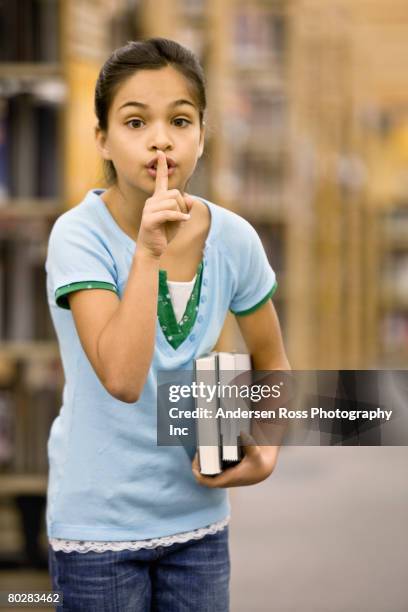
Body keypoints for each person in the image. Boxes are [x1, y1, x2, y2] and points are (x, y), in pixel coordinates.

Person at [45, 37, 290, 611]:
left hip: (198, 523)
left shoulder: (234, 239)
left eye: (180, 120)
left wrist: (268, 449)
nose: (160, 138)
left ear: (202, 135)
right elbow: (124, 380)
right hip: (97, 529)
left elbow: (271, 360)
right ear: (102, 138)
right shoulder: (77, 236)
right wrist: (148, 250)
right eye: (135, 122)